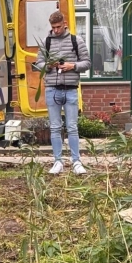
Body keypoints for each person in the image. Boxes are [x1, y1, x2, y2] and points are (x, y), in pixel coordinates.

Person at [34, 10, 90, 175]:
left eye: (58, 27)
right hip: (52, 88)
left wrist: (72, 66)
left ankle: (76, 161)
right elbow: (38, 64)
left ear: (65, 24)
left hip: (71, 88)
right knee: (55, 127)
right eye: (53, 27)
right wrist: (48, 66)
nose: (56, 30)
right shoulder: (46, 42)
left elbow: (87, 63)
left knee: (72, 127)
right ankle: (57, 161)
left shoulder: (76, 40)